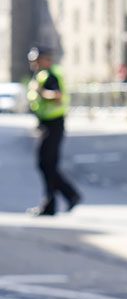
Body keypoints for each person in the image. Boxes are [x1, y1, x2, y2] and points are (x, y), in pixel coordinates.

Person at [26, 46, 81, 216]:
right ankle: (58, 200)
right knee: (46, 164)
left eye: (37, 60)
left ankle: (64, 197)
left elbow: (56, 95)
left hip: (54, 125)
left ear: (45, 60)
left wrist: (41, 92)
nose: (34, 63)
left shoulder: (50, 75)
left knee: (46, 164)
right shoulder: (42, 75)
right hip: (47, 125)